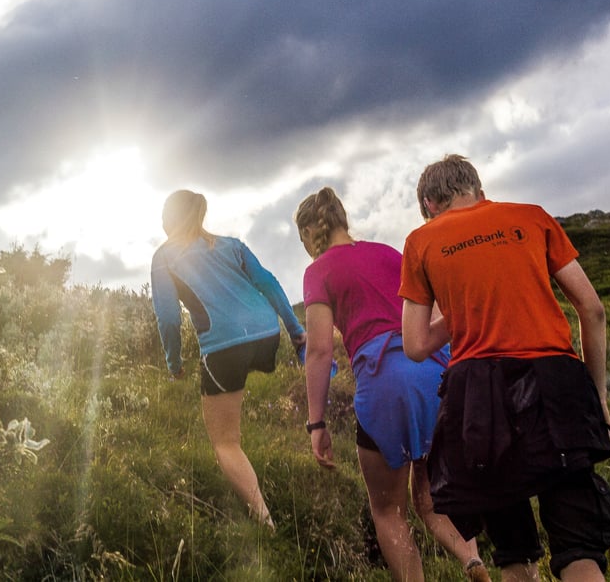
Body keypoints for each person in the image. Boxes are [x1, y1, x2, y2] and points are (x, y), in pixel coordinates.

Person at [399, 154, 610, 582]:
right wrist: (598, 397)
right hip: (556, 386)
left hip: (480, 402)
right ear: (480, 192)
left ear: (429, 203)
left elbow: (415, 344)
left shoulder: (421, 241)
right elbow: (592, 310)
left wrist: (464, 310)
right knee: (578, 546)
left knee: (512, 552)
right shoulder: (532, 218)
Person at [295, 187, 489, 582]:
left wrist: (316, 424)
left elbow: (318, 351)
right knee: (431, 497)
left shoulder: (318, 271)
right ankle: (473, 562)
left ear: (311, 232)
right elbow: (434, 309)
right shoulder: (388, 253)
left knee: (388, 510)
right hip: (436, 373)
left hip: (385, 384)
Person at [150, 189, 306, 529]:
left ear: (173, 218)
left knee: (225, 443)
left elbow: (168, 319)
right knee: (234, 400)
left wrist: (173, 365)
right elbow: (269, 283)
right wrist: (296, 332)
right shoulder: (231, 245)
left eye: (164, 213)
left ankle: (265, 523)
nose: (161, 220)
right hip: (266, 335)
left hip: (223, 346)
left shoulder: (163, 257)